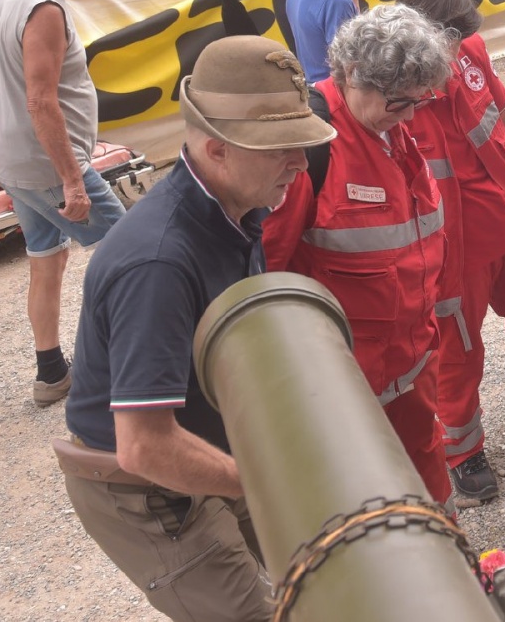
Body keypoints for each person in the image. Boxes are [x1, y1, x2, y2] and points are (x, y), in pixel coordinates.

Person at [61, 36, 335, 621]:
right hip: (146, 487)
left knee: (322, 579)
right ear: (216, 149)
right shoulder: (158, 262)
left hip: (205, 441)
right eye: (281, 147)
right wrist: (266, 483)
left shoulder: (238, 205)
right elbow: (145, 446)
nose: (299, 162)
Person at [263, 5, 458, 510]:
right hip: (344, 388)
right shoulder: (308, 150)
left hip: (413, 368)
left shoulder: (392, 125)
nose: (412, 116)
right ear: (352, 77)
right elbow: (266, 275)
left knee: (429, 493)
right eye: (400, 103)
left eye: (421, 100)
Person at [396, 0, 505, 505]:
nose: (459, 45)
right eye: (451, 36)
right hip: (450, 254)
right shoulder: (393, 90)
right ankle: (462, 453)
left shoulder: (471, 53)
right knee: (454, 357)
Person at [0, 0, 126, 406]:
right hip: (47, 168)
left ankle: (51, 373)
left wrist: (16, 127)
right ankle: (123, 365)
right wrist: (72, 179)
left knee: (46, 259)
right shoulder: (45, 8)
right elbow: (40, 99)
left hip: (15, 162)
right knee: (133, 250)